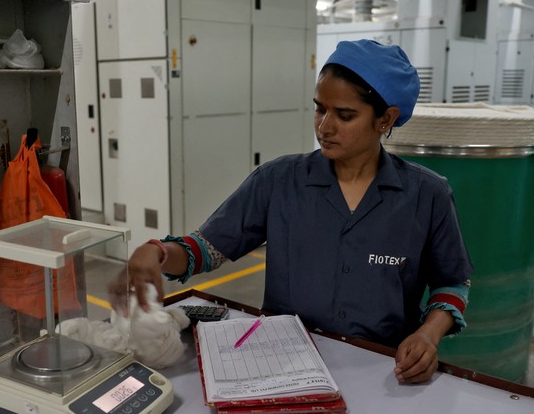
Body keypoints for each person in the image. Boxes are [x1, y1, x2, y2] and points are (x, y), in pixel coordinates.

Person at [118, 39, 473, 384]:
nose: (324, 126)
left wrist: (428, 334)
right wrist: (159, 253)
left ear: (385, 119)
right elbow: (204, 250)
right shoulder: (278, 181)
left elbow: (452, 283)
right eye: (320, 108)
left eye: (344, 115)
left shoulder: (427, 195)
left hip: (382, 368)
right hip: (284, 365)